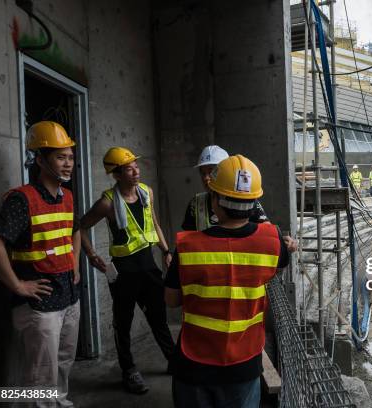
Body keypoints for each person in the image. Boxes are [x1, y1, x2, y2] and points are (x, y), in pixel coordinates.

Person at [165, 155, 289, 408]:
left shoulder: (188, 246)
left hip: (194, 363)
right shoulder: (273, 239)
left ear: (215, 201)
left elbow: (171, 300)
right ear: (255, 202)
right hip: (244, 363)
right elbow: (279, 265)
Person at [0, 121, 81, 407]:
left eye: (70, 157)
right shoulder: (22, 199)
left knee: (63, 363)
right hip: (39, 306)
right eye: (60, 157)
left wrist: (76, 265)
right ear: (40, 160)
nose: (67, 164)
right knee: (39, 377)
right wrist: (17, 284)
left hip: (68, 297)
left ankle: (59, 402)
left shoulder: (67, 196)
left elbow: (75, 230)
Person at [79, 147, 174, 394]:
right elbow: (79, 227)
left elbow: (154, 222)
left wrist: (166, 251)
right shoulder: (106, 203)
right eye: (129, 168)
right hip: (123, 273)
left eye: (136, 166)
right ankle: (129, 371)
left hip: (149, 267)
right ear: (117, 174)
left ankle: (174, 361)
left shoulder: (146, 192)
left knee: (158, 317)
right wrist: (91, 255)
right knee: (123, 323)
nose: (136, 171)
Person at [182, 145, 297, 252]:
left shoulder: (245, 201)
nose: (206, 178)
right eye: (202, 173)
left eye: (212, 170)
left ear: (226, 171)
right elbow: (187, 244)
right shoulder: (196, 204)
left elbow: (267, 232)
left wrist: (282, 243)